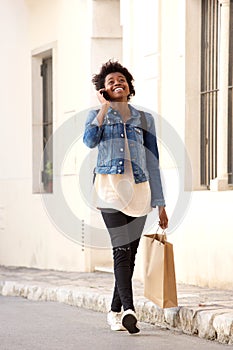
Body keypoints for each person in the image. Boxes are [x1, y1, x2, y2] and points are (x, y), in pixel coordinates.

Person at [83, 60, 168, 334]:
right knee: (120, 249)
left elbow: (154, 162)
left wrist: (161, 203)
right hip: (109, 191)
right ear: (103, 90)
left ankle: (114, 311)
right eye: (110, 82)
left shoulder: (144, 119)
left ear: (129, 85)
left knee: (129, 255)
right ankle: (130, 309)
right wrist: (104, 107)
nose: (117, 83)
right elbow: (89, 140)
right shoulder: (97, 115)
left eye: (121, 79)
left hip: (140, 192)